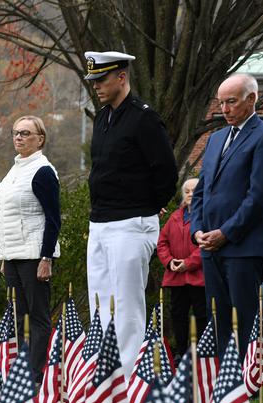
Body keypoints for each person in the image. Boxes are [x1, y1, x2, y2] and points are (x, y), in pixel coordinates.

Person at [83, 50, 178, 372]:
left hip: (130, 221)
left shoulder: (143, 118)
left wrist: (148, 207)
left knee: (126, 304)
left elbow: (166, 171)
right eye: (93, 80)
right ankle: (104, 372)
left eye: (102, 79)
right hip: (101, 221)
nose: (96, 86)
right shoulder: (103, 118)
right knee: (100, 302)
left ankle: (129, 376)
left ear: (121, 77)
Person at [190, 73, 263, 358]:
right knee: (217, 319)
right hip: (209, 246)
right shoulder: (216, 138)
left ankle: (245, 386)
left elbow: (258, 197)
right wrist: (197, 229)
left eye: (231, 102)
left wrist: (226, 233)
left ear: (252, 99)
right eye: (221, 103)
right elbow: (201, 191)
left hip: (243, 247)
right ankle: (223, 385)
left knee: (243, 321)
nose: (225, 109)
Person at [0, 116, 60, 374]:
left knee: (37, 316)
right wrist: (5, 255)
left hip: (34, 255)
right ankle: (20, 370)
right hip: (13, 253)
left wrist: (46, 257)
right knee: (17, 314)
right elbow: (7, 215)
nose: (18, 137)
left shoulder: (43, 170)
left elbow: (53, 218)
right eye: (15, 133)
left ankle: (35, 374)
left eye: (25, 133)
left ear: (39, 139)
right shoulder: (16, 168)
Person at [157, 178, 205, 360]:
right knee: (178, 315)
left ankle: (201, 353)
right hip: (176, 276)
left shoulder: (206, 215)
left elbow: (207, 244)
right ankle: (181, 352)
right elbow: (162, 242)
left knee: (201, 314)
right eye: (187, 191)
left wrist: (189, 263)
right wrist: (169, 262)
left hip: (199, 276)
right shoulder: (175, 216)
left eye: (195, 190)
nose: (191, 194)